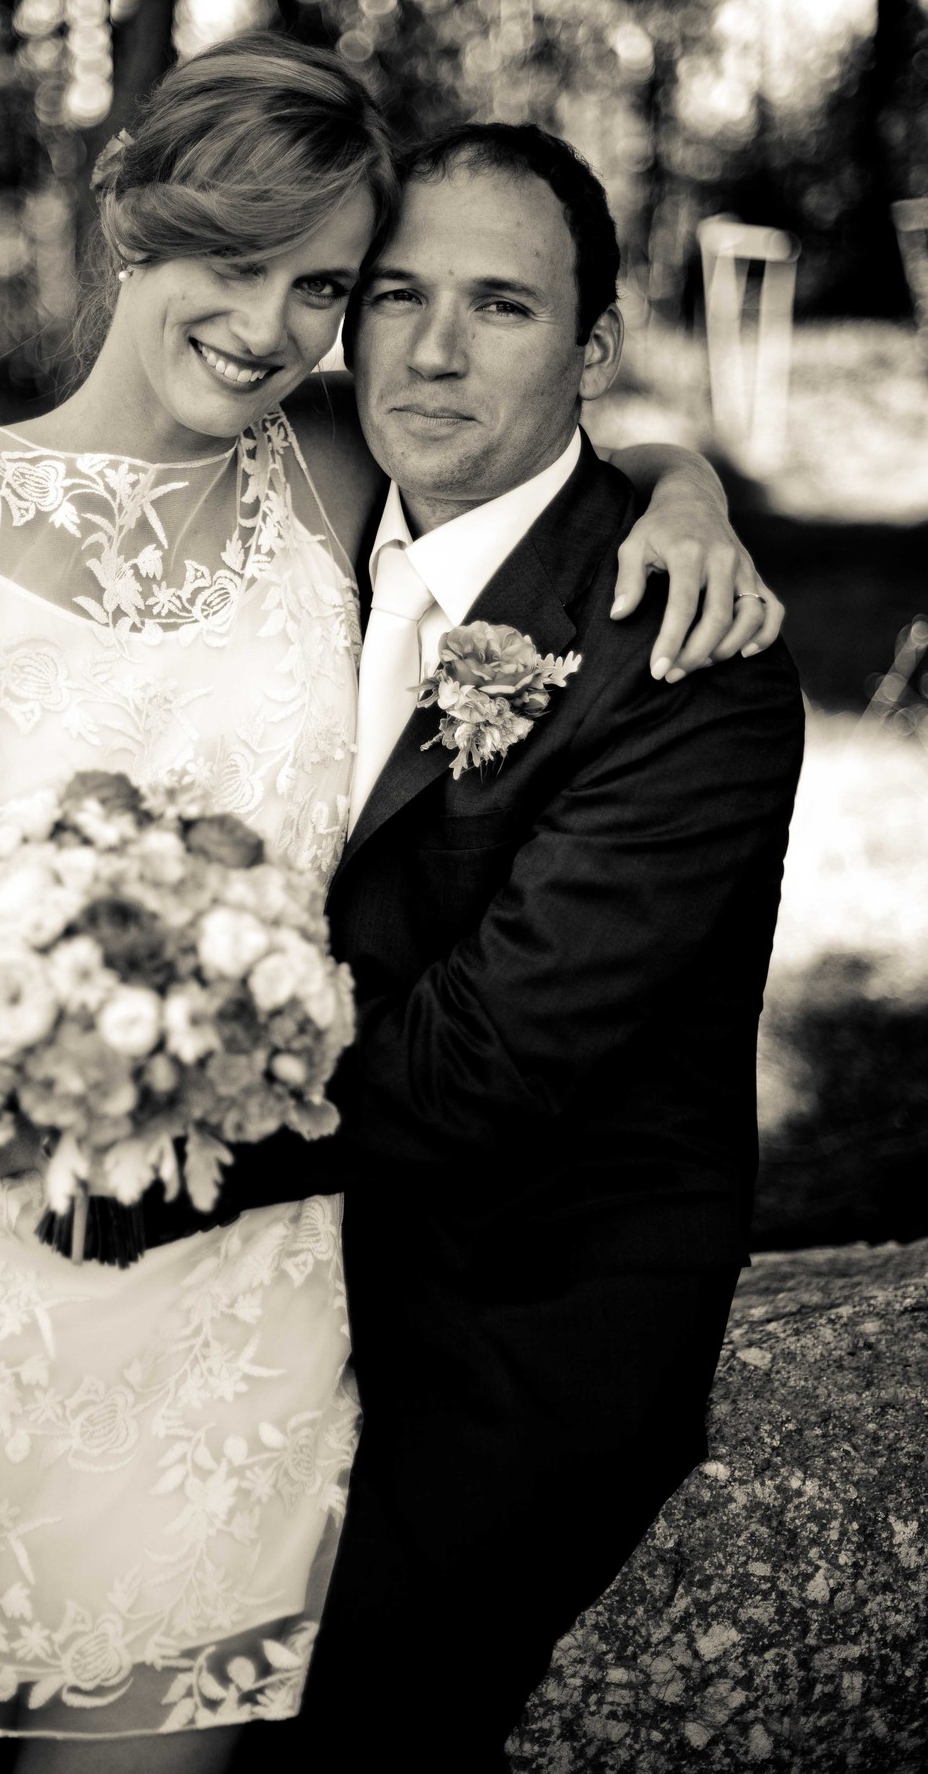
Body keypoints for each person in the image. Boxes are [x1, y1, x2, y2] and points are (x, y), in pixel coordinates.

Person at [0, 34, 783, 1774]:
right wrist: (3, 999)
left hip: (234, 1287)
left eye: (318, 287)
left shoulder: (327, 477)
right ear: (130, 222)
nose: (273, 326)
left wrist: (689, 489)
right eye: (234, 261)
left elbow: (528, 437)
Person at [271, 124, 805, 1771]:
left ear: (592, 350)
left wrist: (110, 1120)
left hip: (520, 1326)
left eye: (501, 307)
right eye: (397, 295)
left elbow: (476, 1071)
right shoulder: (302, 529)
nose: (432, 349)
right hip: (293, 1262)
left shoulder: (680, 656)